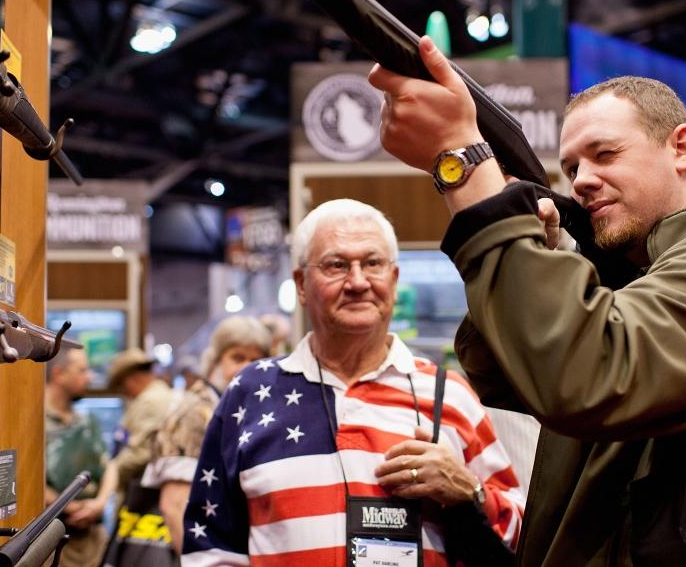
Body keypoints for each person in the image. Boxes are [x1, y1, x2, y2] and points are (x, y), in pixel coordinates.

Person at [368, 38, 686, 564]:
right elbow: (503, 372)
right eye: (571, 167)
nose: (582, 180)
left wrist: (463, 160)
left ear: (682, 147)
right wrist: (538, 251)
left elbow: (579, 378)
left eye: (605, 154)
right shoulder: (636, 278)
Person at [181, 199, 524, 565]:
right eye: (337, 265)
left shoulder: (449, 395)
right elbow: (210, 543)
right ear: (301, 284)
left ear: (393, 280)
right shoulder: (251, 392)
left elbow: (523, 530)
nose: (358, 282)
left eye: (373, 263)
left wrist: (467, 490)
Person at [141, 315, 273, 554]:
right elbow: (174, 507)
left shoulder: (246, 408)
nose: (247, 368)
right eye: (237, 357)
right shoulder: (194, 413)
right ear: (215, 362)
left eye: (255, 359)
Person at [72, 347, 180, 523]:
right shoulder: (153, 398)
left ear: (132, 379)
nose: (124, 393)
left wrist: (109, 476)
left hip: (144, 503)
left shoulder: (151, 402)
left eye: (122, 386)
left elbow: (139, 453)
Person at [44, 348, 109, 567]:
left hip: (93, 540)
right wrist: (69, 506)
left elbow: (109, 467)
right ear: (59, 374)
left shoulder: (86, 422)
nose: (89, 377)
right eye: (82, 370)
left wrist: (99, 504)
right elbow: (26, 478)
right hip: (54, 541)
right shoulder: (35, 421)